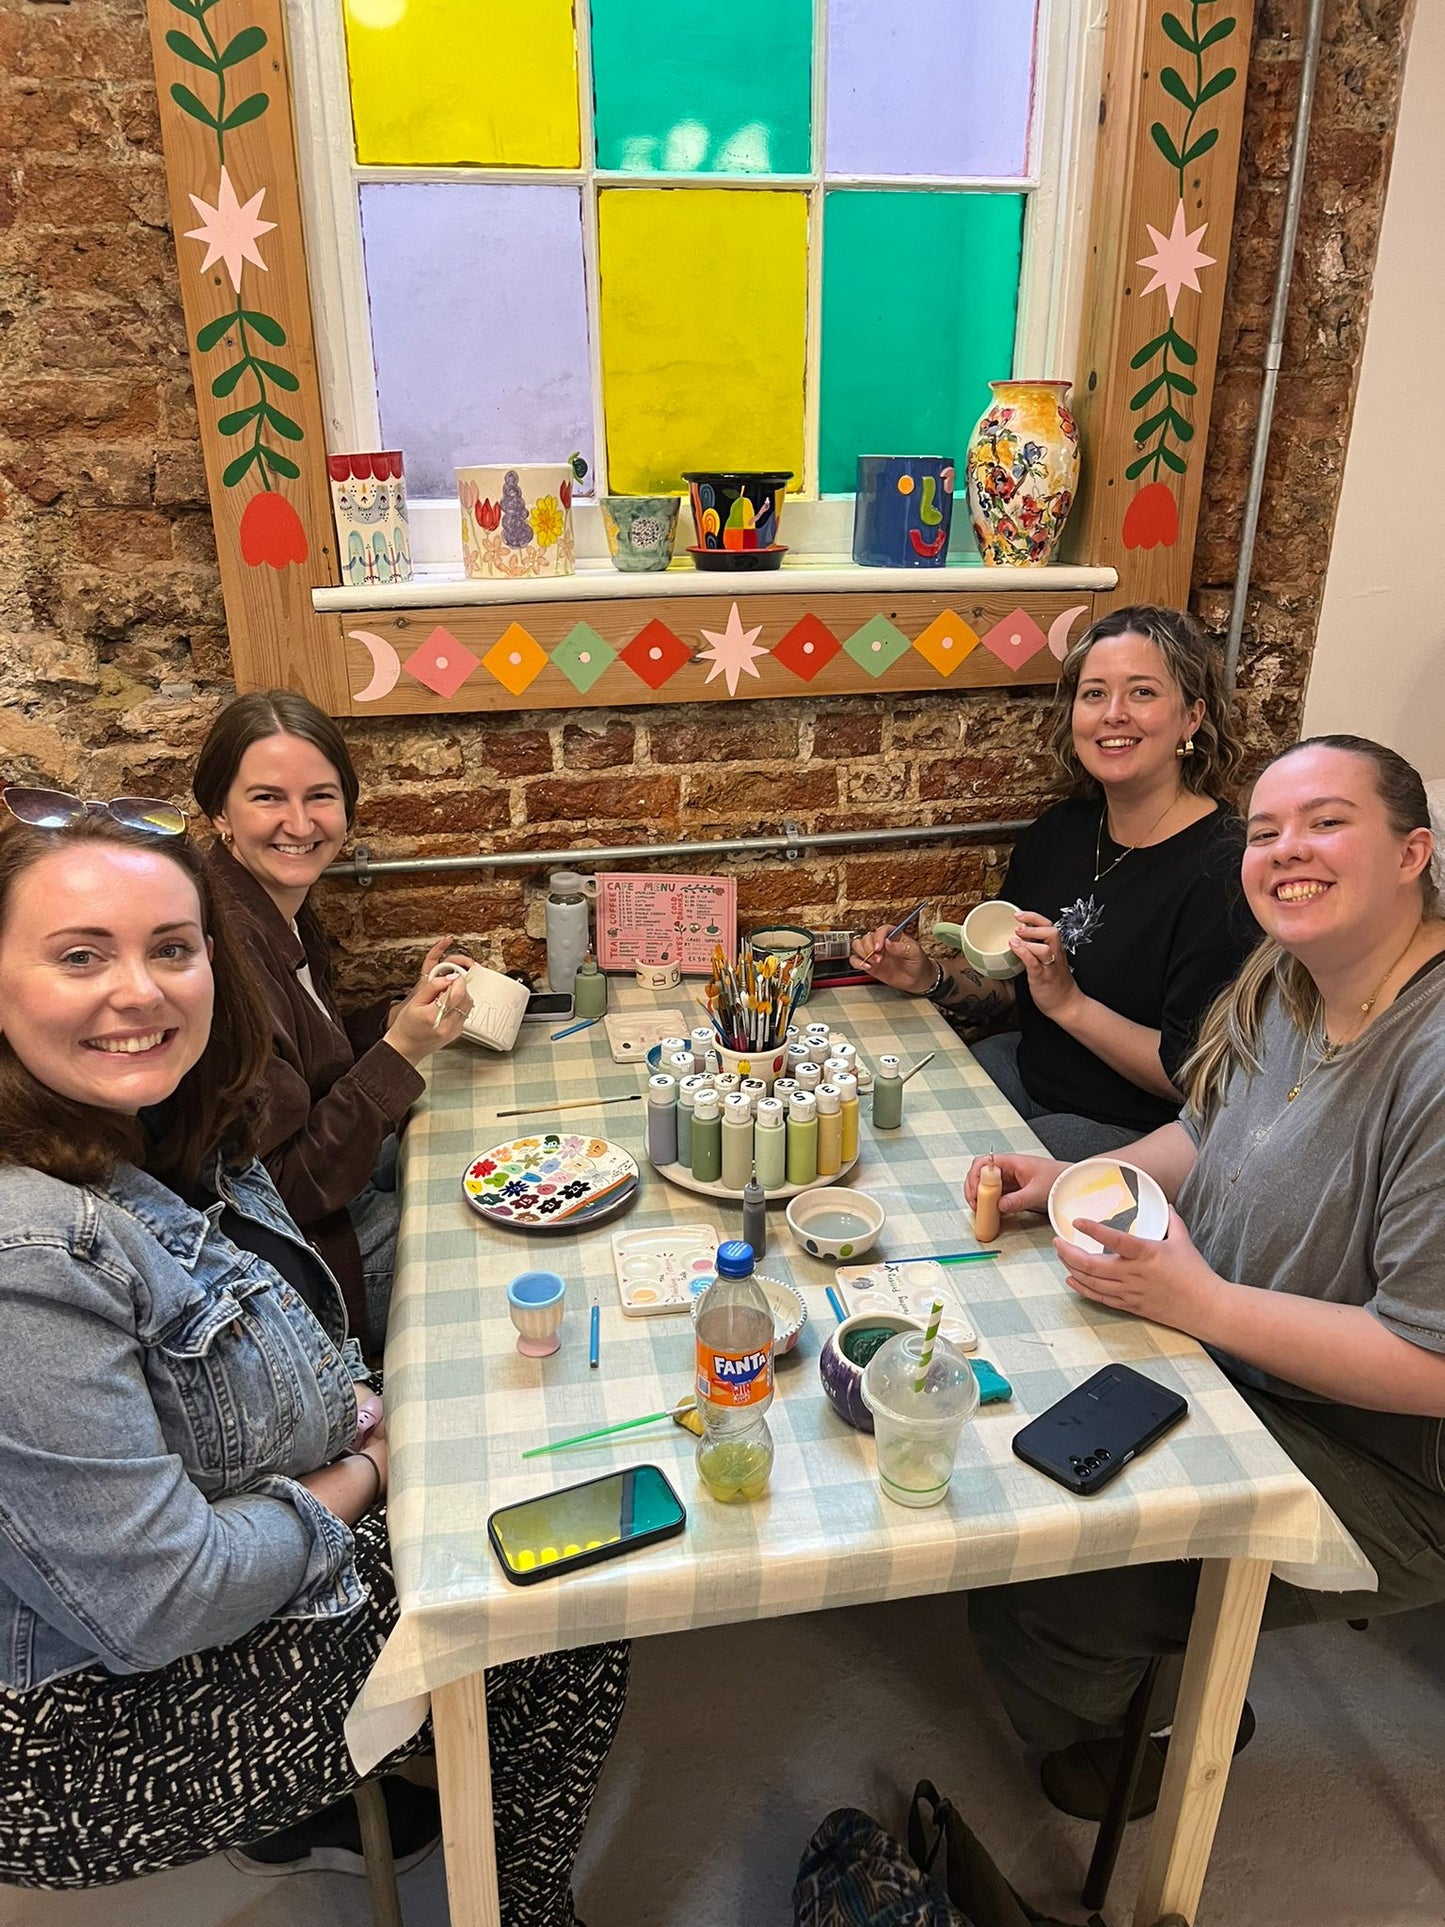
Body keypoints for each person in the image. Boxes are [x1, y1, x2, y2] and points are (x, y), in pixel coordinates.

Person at [0, 796, 627, 1912]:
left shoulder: (182, 1131)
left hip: (253, 1529)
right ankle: (524, 1898)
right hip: (90, 1725)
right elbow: (160, 1599)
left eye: (172, 950)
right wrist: (368, 1473)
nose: (137, 991)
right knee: (557, 1607)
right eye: (79, 955)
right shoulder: (29, 1246)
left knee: (530, 1451)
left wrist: (358, 1416)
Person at [960, 735, 1445, 1818]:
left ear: (1411, 851)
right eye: (1264, 830)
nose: (1284, 850)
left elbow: (1428, 1361)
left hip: (1394, 1458)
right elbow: (1202, 1128)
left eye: (1324, 821)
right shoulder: (1288, 974)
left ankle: (1158, 1715)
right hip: (1228, 1346)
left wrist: (1202, 1303)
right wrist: (1078, 1172)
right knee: (999, 1417)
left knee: (1043, 1569)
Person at [851, 606, 1258, 1159]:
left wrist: (1070, 1003)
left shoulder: (1227, 869)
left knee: (967, 1178)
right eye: (1094, 694)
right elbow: (1011, 988)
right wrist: (929, 977)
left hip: (1135, 1132)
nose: (1113, 715)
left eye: (1141, 693)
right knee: (881, 1121)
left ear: (1191, 718)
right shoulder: (1062, 830)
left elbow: (1193, 1078)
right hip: (1029, 1075)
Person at [193, 690, 471, 1352]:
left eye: (320, 796)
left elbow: (314, 1061)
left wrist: (397, 1018)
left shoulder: (270, 901)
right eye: (267, 797)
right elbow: (288, 1191)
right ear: (220, 812)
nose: (299, 822)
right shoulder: (224, 946)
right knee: (488, 1237)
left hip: (332, 1204)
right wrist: (401, 1051)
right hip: (306, 1266)